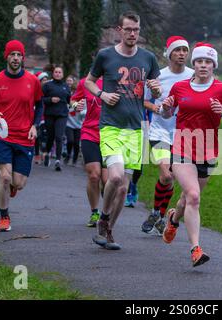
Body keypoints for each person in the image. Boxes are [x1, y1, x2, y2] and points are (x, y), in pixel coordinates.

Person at [160, 42, 222, 267]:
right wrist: (167, 107)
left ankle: (173, 219)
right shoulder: (179, 87)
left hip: (208, 148)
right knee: (194, 196)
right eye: (199, 61)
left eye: (208, 62)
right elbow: (166, 113)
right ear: (193, 64)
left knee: (187, 198)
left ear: (213, 65)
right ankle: (195, 249)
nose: (203, 65)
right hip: (182, 146)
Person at [84, 11, 162, 250]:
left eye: (136, 30)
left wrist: (156, 90)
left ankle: (109, 231)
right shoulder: (105, 56)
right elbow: (88, 81)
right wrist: (102, 94)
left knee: (124, 187)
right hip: (111, 127)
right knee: (115, 177)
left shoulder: (148, 58)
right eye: (128, 29)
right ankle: (103, 218)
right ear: (120, 30)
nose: (132, 34)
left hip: (136, 129)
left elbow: (156, 93)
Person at [0, 39, 43, 232]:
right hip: (2, 135)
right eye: (12, 54)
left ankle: (13, 188)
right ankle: (4, 217)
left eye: (19, 55)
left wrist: (35, 125)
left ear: (23, 58)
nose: (15, 58)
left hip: (25, 137)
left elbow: (40, 105)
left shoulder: (32, 81)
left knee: (18, 183)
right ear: (6, 57)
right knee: (5, 178)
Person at [140, 35, 194, 235]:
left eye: (184, 50)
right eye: (177, 50)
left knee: (170, 180)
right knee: (166, 174)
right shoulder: (158, 76)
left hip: (182, 133)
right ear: (169, 53)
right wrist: (157, 107)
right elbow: (144, 101)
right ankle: (157, 212)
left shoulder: (193, 76)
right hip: (160, 130)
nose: (181, 54)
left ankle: (159, 215)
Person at [71, 76, 108, 227]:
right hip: (89, 132)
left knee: (107, 180)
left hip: (111, 135)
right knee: (94, 176)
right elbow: (73, 100)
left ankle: (107, 213)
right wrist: (75, 105)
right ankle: (94, 212)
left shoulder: (116, 81)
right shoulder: (85, 82)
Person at [42, 66, 71, 171]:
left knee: (59, 136)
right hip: (49, 114)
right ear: (53, 74)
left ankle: (58, 160)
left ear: (62, 74)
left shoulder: (66, 86)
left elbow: (69, 101)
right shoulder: (47, 86)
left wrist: (75, 105)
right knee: (51, 136)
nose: (58, 74)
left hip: (62, 115)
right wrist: (50, 99)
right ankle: (47, 153)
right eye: (56, 72)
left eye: (60, 72)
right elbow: (41, 99)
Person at [34, 72, 49, 164]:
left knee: (44, 137)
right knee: (37, 137)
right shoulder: (35, 90)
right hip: (37, 116)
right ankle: (37, 155)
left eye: (46, 79)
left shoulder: (50, 89)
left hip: (47, 116)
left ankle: (44, 152)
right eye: (43, 80)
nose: (46, 81)